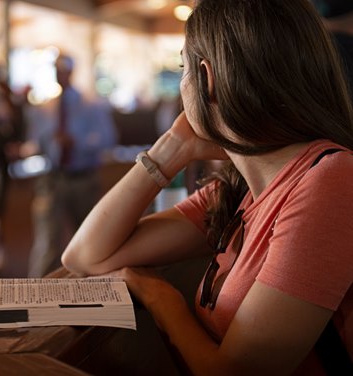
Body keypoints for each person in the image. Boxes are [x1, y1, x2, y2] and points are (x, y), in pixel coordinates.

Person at [61, 0, 353, 374]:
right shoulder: (238, 191)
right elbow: (85, 256)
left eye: (183, 69)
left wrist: (160, 297)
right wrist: (170, 149)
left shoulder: (330, 180)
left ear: (207, 78)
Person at [24, 53, 117, 277]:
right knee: (47, 242)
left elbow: (107, 138)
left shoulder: (91, 105)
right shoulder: (45, 107)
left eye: (63, 69)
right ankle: (36, 293)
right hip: (53, 179)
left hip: (82, 178)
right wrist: (28, 148)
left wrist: (77, 141)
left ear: (71, 72)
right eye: (56, 69)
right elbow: (35, 143)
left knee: (86, 241)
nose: (60, 74)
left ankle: (88, 294)